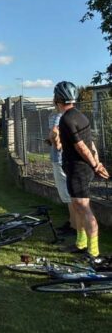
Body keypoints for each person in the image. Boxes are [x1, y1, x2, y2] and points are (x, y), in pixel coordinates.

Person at [54, 82, 109, 258]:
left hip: (79, 169)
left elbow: (81, 147)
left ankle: (93, 251)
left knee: (83, 208)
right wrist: (96, 162)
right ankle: (81, 243)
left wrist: (95, 165)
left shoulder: (66, 119)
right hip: (77, 168)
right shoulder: (79, 116)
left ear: (58, 99)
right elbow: (89, 142)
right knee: (78, 207)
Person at [46, 108, 75, 236]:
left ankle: (74, 226)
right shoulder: (63, 114)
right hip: (62, 157)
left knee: (68, 194)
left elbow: (55, 133)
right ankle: (71, 222)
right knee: (68, 194)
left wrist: (55, 143)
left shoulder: (57, 115)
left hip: (59, 158)